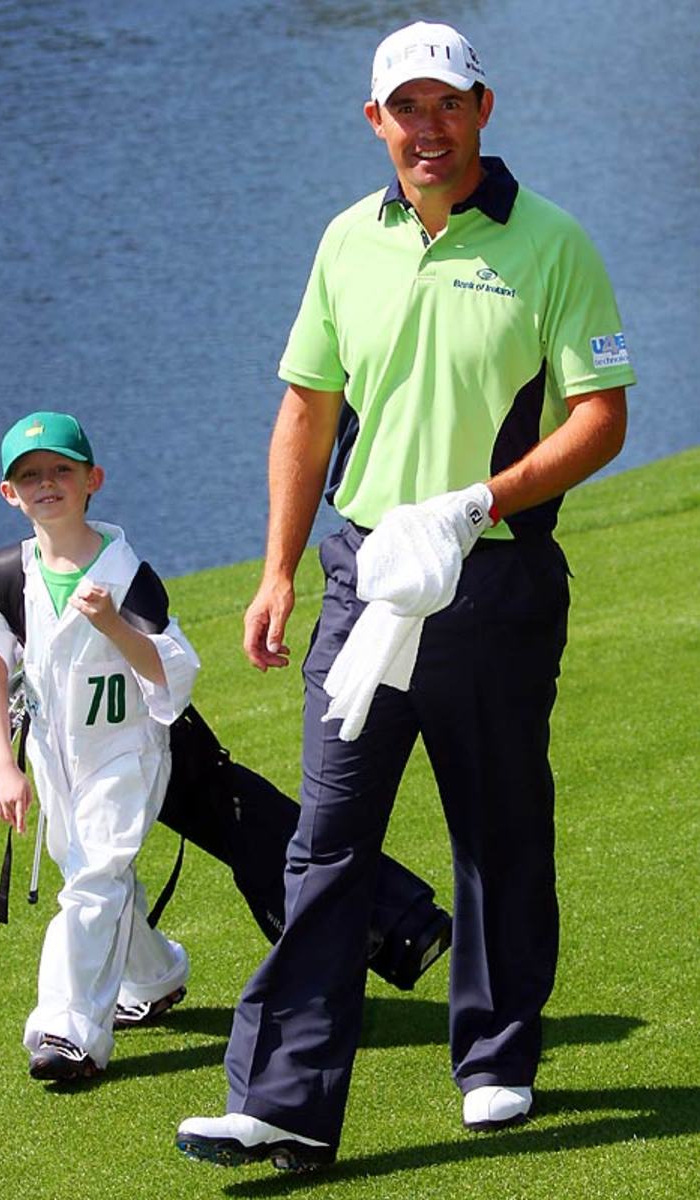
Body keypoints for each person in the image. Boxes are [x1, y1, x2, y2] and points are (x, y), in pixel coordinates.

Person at [175, 18, 635, 1173]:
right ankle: (281, 1099)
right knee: (323, 841)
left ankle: (492, 1055)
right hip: (360, 578)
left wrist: (482, 501)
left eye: (446, 105)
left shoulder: (549, 242)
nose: (426, 129)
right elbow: (305, 412)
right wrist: (278, 566)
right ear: (373, 123)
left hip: (494, 578)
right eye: (403, 109)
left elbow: (599, 416)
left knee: (495, 826)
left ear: (484, 109)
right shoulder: (346, 241)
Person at [0, 411, 200, 1081]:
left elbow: (172, 672)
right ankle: (155, 976)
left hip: (125, 754)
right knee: (91, 873)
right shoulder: (3, 574)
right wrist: (3, 766)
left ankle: (67, 1031)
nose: (46, 484)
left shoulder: (127, 574)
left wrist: (112, 624)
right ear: (9, 493)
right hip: (50, 756)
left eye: (61, 470)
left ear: (92, 479)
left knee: (93, 877)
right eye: (29, 476)